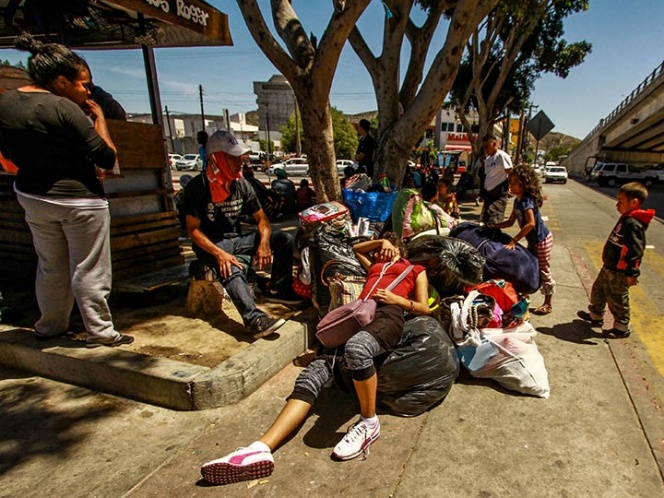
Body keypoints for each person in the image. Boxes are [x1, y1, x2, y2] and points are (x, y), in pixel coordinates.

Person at [200, 233, 429, 485]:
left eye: (391, 248)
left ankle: (369, 422)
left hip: (388, 315)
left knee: (357, 349)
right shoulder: (374, 266)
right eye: (382, 250)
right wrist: (380, 243)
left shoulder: (414, 270)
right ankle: (260, 448)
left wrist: (398, 299)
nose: (383, 253)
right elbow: (357, 249)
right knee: (312, 374)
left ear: (401, 250)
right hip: (356, 315)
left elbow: (424, 307)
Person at [0, 33, 133, 347]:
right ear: (61, 81)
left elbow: (7, 156)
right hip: (80, 200)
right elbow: (107, 157)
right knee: (89, 267)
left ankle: (50, 326)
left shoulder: (5, 102)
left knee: (50, 265)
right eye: (83, 85)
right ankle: (100, 332)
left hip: (32, 196)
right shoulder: (63, 107)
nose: (87, 91)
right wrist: (100, 119)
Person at [182, 130, 303, 339]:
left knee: (284, 239)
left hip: (237, 238)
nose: (240, 163)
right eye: (232, 158)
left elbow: (262, 220)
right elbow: (193, 230)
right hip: (212, 243)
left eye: (240, 157)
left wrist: (264, 242)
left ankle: (278, 289)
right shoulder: (197, 188)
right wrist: (219, 254)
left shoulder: (241, 184)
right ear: (216, 159)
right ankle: (254, 320)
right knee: (231, 266)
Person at [577, 182, 655, 338]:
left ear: (634, 202)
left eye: (620, 201)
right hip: (609, 266)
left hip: (620, 271)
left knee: (617, 299)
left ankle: (621, 327)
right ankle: (595, 316)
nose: (617, 205)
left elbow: (635, 250)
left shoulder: (633, 223)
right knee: (599, 291)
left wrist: (632, 273)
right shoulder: (626, 218)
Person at [489, 165, 555, 314]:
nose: (511, 185)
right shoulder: (517, 201)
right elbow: (510, 222)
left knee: (544, 270)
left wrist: (514, 240)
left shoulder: (526, 201)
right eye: (510, 182)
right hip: (534, 241)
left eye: (515, 182)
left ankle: (548, 303)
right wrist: (493, 225)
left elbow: (531, 224)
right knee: (531, 265)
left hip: (542, 240)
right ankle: (525, 294)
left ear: (524, 184)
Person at [481, 133, 512, 225]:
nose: (485, 149)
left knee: (494, 219)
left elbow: (510, 172)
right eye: (484, 147)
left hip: (498, 194)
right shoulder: (488, 159)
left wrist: (511, 187)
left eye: (487, 146)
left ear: (494, 144)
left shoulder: (501, 156)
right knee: (486, 219)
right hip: (488, 194)